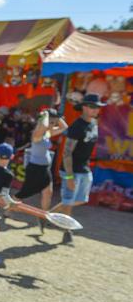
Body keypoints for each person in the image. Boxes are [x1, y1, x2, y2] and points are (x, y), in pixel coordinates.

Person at [50, 94, 104, 243]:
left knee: (81, 199)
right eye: (93, 107)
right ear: (84, 107)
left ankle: (48, 215)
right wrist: (69, 176)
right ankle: (67, 232)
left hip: (84, 168)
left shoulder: (94, 124)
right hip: (72, 170)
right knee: (68, 201)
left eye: (98, 107)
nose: (96, 110)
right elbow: (67, 152)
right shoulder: (76, 126)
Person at [15, 109, 68, 232]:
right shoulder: (37, 134)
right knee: (24, 193)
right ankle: (8, 209)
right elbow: (43, 125)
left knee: (47, 192)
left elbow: (64, 127)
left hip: (45, 168)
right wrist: (45, 115)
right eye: (51, 122)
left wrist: (56, 116)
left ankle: (43, 216)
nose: (53, 125)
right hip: (34, 168)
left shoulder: (47, 134)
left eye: (54, 123)